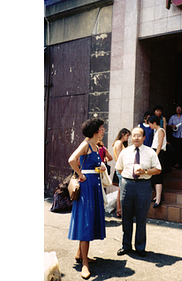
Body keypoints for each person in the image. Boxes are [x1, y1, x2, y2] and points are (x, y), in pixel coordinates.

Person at [68, 117, 107, 279]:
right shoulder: (85, 144)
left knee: (88, 220)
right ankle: (85, 262)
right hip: (87, 187)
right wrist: (80, 174)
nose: (103, 130)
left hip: (93, 185)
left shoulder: (96, 146)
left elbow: (89, 163)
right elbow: (72, 160)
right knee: (86, 221)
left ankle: (80, 254)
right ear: (95, 130)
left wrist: (100, 167)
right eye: (101, 128)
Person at [115, 127, 161, 257]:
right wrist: (128, 178)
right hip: (127, 185)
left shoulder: (150, 152)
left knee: (141, 217)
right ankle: (126, 246)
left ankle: (140, 247)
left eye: (139, 135)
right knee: (126, 216)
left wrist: (145, 172)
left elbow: (158, 170)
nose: (136, 138)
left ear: (144, 137)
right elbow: (119, 169)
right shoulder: (125, 152)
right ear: (131, 137)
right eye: (134, 135)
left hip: (143, 186)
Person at [148, 115, 167, 208]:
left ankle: (158, 199)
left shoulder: (161, 130)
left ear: (154, 123)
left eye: (150, 124)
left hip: (158, 154)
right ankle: (156, 196)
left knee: (157, 176)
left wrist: (155, 155)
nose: (150, 126)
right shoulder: (157, 131)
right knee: (155, 176)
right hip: (155, 153)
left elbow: (159, 145)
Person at [112, 128, 131, 218]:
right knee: (121, 189)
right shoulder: (119, 143)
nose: (128, 138)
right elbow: (120, 158)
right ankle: (119, 210)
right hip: (121, 168)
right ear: (123, 134)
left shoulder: (118, 143)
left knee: (121, 189)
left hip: (120, 167)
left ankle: (119, 210)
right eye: (127, 135)